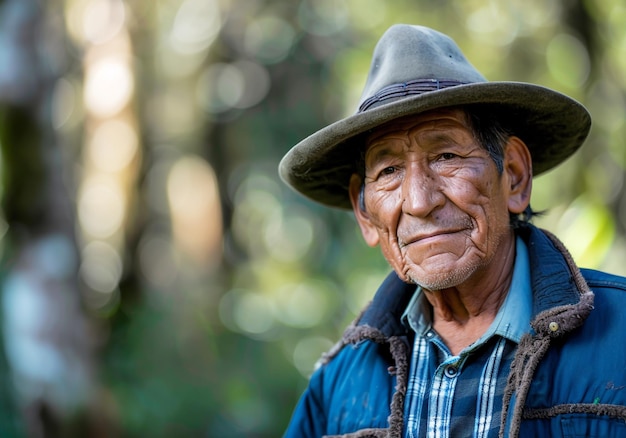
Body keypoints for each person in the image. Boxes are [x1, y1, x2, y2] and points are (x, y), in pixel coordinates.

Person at [278, 24, 626, 438]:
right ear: (365, 212)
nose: (420, 201)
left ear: (513, 176)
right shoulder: (338, 386)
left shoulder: (618, 339)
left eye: (446, 155)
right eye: (388, 170)